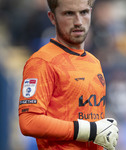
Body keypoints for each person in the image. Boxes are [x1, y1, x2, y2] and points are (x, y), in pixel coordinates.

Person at [18, 0, 119, 149]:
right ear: (52, 17)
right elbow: (29, 121)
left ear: (91, 13)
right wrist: (86, 130)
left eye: (83, 12)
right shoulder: (42, 61)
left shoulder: (94, 62)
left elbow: (90, 122)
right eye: (69, 13)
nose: (78, 21)